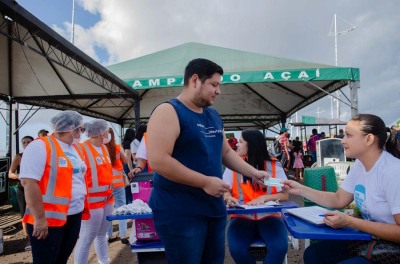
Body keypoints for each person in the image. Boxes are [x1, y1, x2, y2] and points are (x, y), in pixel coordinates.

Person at [146, 58, 268, 263]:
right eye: (214, 84)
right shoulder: (168, 111)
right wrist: (204, 182)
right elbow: (159, 160)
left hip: (213, 209)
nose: (218, 91)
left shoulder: (212, 115)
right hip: (180, 212)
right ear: (195, 80)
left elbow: (226, 153)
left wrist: (253, 173)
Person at [283, 114, 400, 263]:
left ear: (369, 139)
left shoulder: (393, 172)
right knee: (313, 254)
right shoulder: (359, 164)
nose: (343, 141)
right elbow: (338, 199)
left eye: (349, 135)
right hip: (370, 239)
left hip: (391, 249)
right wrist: (300, 189)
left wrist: (351, 222)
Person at [19, 110, 87, 263]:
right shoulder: (40, 146)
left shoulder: (75, 148)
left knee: (61, 259)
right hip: (48, 219)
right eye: (80, 129)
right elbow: (29, 183)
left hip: (73, 214)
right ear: (71, 128)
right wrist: (40, 219)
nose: (81, 133)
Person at [223, 129, 289, 264]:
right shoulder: (232, 166)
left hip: (270, 216)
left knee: (279, 248)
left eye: (241, 142)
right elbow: (225, 190)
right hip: (241, 217)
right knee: (237, 250)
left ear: (252, 145)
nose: (237, 145)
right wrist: (227, 198)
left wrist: (264, 198)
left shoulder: (273, 166)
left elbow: (285, 195)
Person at [74, 119, 114, 264]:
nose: (108, 134)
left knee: (102, 235)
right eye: (107, 131)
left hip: (107, 199)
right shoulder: (81, 149)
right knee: (86, 238)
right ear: (100, 132)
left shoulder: (103, 148)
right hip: (91, 202)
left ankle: (104, 261)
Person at [8, 135, 34, 251]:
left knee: (37, 212)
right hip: (22, 188)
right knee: (24, 215)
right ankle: (28, 239)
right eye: (24, 142)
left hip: (36, 188)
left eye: (29, 142)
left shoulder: (39, 155)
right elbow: (10, 173)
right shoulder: (19, 157)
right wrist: (19, 176)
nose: (26, 144)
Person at [105, 128, 131, 244]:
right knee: (122, 209)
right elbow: (125, 160)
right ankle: (123, 234)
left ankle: (109, 235)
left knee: (108, 210)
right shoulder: (117, 147)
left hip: (106, 184)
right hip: (119, 183)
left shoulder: (100, 148)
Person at [121, 128, 135, 204]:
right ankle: (129, 202)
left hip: (125, 166)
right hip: (128, 166)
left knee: (127, 185)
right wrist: (131, 169)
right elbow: (128, 158)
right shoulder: (128, 143)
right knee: (129, 185)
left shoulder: (124, 143)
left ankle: (128, 201)